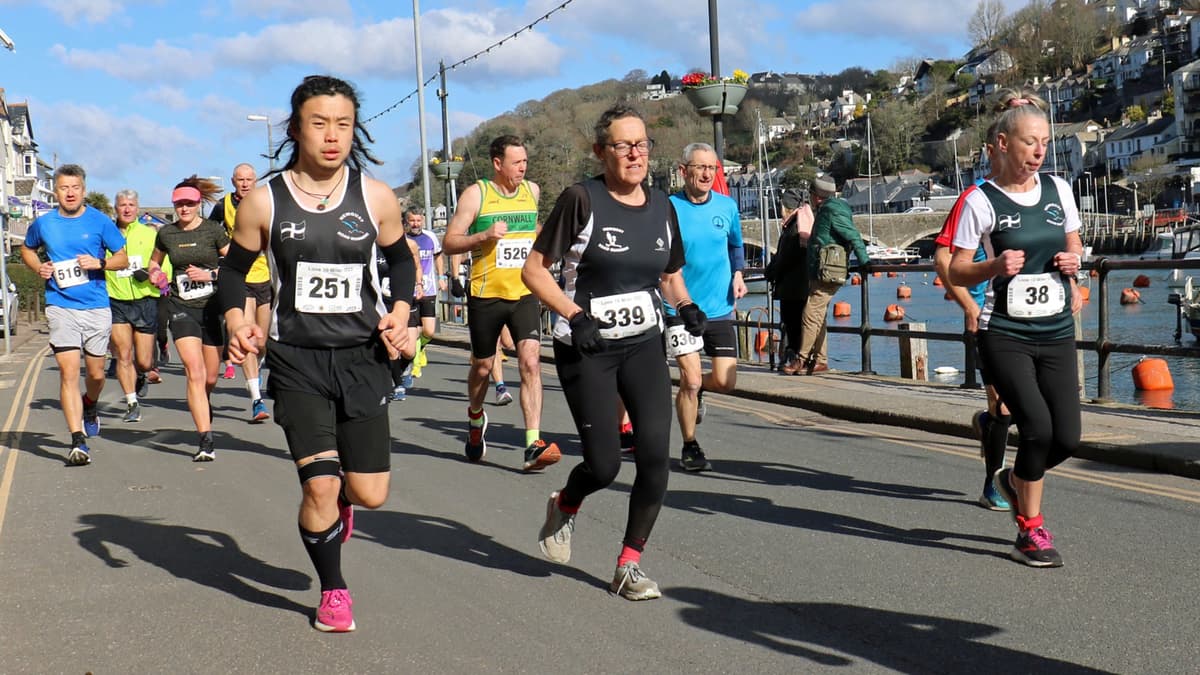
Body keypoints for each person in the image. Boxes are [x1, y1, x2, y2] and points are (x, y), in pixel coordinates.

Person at [220, 74, 414, 632]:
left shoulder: (374, 196)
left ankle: (342, 506)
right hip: (296, 358)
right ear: (297, 128)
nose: (333, 136)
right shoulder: (265, 200)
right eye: (320, 123)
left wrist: (400, 312)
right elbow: (234, 270)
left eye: (344, 124)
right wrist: (237, 319)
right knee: (320, 485)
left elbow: (401, 261)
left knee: (369, 493)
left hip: (363, 356)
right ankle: (333, 590)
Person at [522, 103, 704, 600]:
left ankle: (628, 564)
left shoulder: (664, 206)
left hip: (644, 343)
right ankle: (565, 503)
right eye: (622, 146)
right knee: (604, 465)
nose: (634, 154)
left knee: (653, 457)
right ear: (601, 152)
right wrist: (575, 316)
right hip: (587, 347)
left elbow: (669, 275)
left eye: (641, 144)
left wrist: (685, 306)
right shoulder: (582, 199)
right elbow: (534, 271)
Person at [948, 89, 1083, 568]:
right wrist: (993, 267)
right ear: (1003, 144)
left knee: (1067, 437)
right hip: (1003, 332)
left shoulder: (1059, 190)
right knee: (1038, 429)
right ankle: (1030, 529)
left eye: (1044, 142)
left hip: (1056, 329)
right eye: (1030, 142)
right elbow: (955, 270)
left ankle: (1010, 481)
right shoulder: (979, 201)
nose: (1040, 151)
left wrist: (1075, 260)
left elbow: (1073, 240)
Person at [442, 135, 559, 472]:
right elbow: (450, 242)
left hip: (523, 292)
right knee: (482, 366)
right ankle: (476, 417)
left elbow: (533, 233)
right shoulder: (476, 194)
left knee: (531, 361)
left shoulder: (532, 192)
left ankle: (533, 443)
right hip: (486, 294)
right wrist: (484, 235)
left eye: (525, 161)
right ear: (497, 163)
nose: (523, 167)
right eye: (516, 162)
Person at [22, 164, 129, 465]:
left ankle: (90, 404)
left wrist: (101, 263)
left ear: (83, 190)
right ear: (55, 191)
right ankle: (77, 440)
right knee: (69, 373)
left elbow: (122, 257)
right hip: (60, 305)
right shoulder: (44, 223)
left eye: (75, 187)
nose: (69, 193)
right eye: (63, 188)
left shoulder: (100, 221)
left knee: (95, 374)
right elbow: (28, 249)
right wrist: (37, 267)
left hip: (96, 306)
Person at [934, 124, 1013, 511]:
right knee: (1003, 402)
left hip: (1031, 319)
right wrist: (969, 305)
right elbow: (942, 258)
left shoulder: (1042, 194)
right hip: (989, 317)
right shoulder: (974, 198)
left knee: (1023, 407)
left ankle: (987, 426)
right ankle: (993, 485)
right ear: (995, 149)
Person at [665, 142, 747, 471]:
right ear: (683, 171)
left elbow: (736, 246)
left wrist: (739, 274)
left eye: (711, 168)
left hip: (719, 306)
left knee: (726, 382)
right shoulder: (668, 208)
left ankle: (696, 393)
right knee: (692, 379)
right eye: (699, 167)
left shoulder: (727, 207)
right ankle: (690, 445)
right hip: (679, 308)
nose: (706, 174)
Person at [150, 176, 230, 461]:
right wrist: (156, 275)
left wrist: (210, 275)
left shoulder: (213, 231)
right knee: (194, 372)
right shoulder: (166, 233)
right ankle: (205, 441)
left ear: (198, 204)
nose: (183, 209)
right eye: (179, 204)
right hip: (181, 305)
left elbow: (234, 266)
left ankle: (203, 401)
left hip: (211, 307)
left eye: (189, 204)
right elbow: (154, 263)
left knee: (209, 376)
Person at [210, 163, 271, 422]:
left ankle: (256, 373)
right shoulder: (223, 206)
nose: (245, 184)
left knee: (262, 343)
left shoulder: (266, 202)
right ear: (233, 181)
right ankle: (257, 398)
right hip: (240, 277)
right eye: (240, 180)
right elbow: (208, 234)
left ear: (255, 180)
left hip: (266, 276)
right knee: (247, 336)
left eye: (249, 179)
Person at [793, 176, 869, 374]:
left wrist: (865, 262)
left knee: (810, 314)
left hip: (827, 271)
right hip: (822, 270)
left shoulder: (832, 210)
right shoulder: (828, 209)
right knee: (819, 317)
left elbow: (853, 235)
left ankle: (801, 359)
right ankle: (819, 360)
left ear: (816, 196)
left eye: (810, 194)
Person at [106, 189, 164, 423]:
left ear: (137, 208)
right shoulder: (106, 234)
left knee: (144, 360)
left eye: (131, 205)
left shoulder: (149, 234)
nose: (127, 209)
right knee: (123, 354)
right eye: (122, 205)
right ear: (116, 208)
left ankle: (141, 374)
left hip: (144, 299)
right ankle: (132, 403)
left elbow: (163, 263)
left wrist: (157, 276)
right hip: (115, 299)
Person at [767, 190, 811, 375]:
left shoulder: (793, 228)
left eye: (781, 206)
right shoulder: (797, 225)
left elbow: (784, 258)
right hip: (797, 284)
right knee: (793, 323)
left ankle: (793, 358)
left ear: (786, 207)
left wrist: (771, 271)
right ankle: (794, 357)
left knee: (791, 323)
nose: (780, 210)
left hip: (792, 286)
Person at [403, 206, 445, 379]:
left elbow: (438, 256)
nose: (415, 224)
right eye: (412, 220)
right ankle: (413, 360)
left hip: (428, 289)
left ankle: (420, 347)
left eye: (418, 220)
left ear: (423, 220)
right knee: (411, 330)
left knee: (429, 331)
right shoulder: (402, 239)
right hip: (408, 290)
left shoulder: (431, 237)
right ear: (406, 221)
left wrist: (441, 276)